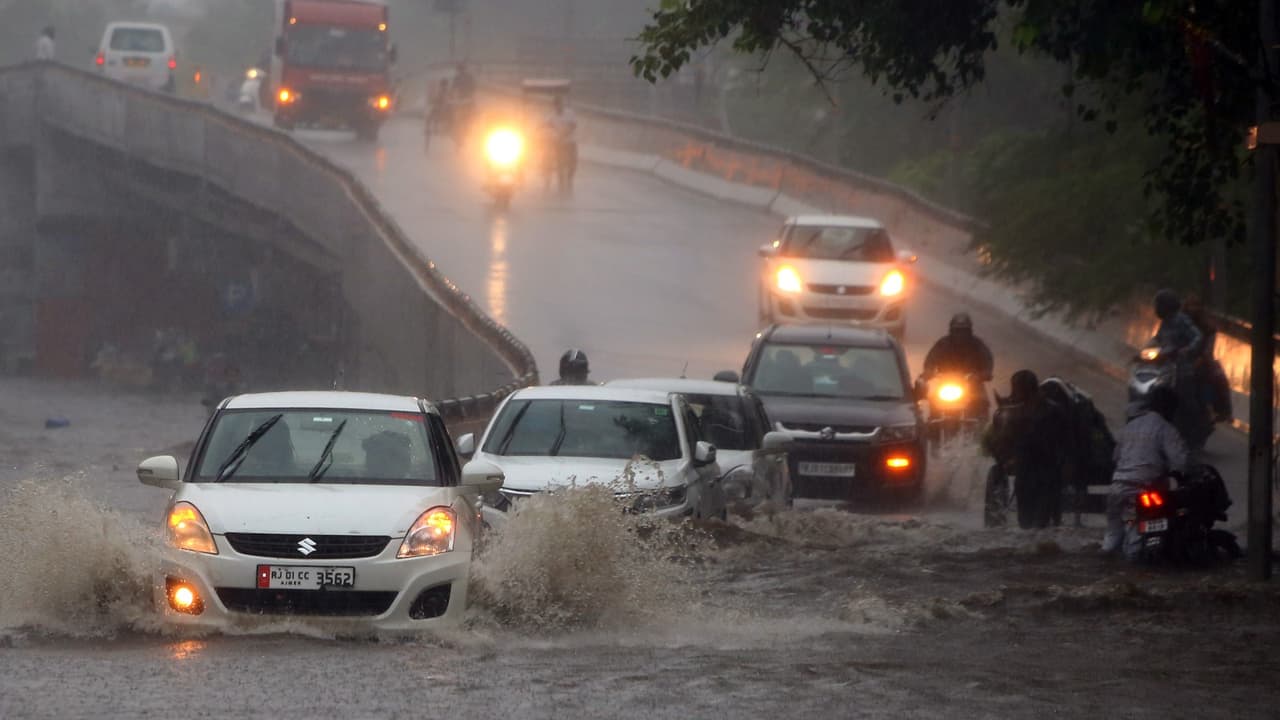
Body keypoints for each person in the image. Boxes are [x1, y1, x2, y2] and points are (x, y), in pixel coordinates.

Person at [1102, 385, 1188, 560]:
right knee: (1135, 546)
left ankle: (1105, 563)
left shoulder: (1129, 427)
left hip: (1117, 489)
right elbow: (1181, 461)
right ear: (1169, 407)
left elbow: (1115, 457)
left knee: (1112, 537)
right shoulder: (1166, 429)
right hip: (1142, 492)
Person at [986, 370, 1067, 528]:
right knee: (1026, 519)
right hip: (1028, 468)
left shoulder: (1051, 410)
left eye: (1019, 388)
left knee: (1038, 519)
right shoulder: (1015, 411)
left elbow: (1063, 439)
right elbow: (1003, 440)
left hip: (1045, 468)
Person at [1181, 294, 1233, 422]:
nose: (1193, 309)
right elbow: (1163, 339)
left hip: (1201, 361)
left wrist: (1201, 359)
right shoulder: (1178, 323)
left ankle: (1223, 411)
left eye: (1196, 305)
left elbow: (1208, 349)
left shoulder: (1208, 328)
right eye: (1191, 305)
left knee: (1218, 377)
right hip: (1177, 360)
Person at [543, 95, 578, 190]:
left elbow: (573, 125)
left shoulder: (569, 113)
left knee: (573, 163)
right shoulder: (552, 116)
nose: (558, 107)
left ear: (562, 104)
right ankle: (561, 183)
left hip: (570, 141)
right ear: (554, 106)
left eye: (559, 105)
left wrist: (564, 133)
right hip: (559, 143)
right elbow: (546, 124)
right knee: (560, 164)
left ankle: (570, 179)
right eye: (556, 106)